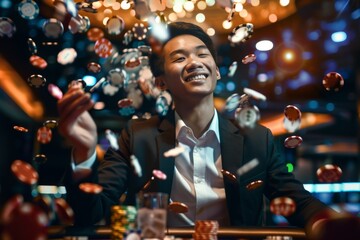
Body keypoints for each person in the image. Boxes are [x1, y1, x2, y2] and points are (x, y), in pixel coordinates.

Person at [57, 21, 357, 238]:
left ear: (215, 70)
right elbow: (91, 214)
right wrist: (84, 152)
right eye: (179, 57)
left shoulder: (256, 139)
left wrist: (327, 223)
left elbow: (299, 201)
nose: (194, 63)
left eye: (202, 54)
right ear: (161, 82)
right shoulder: (137, 136)